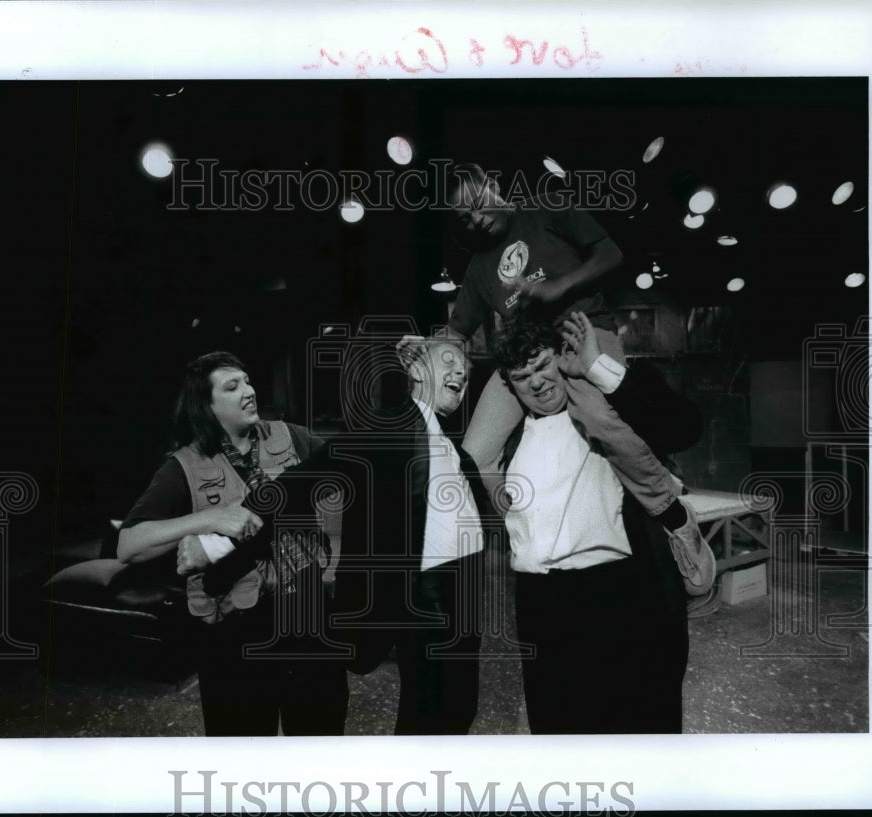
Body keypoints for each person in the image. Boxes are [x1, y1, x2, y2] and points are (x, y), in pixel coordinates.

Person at [403, 162, 714, 594]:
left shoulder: (547, 208)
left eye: (475, 204)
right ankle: (519, 525)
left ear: (493, 184)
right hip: (527, 352)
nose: (475, 219)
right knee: (475, 449)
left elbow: (612, 254)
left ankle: (673, 515)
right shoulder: (477, 269)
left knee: (600, 419)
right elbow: (457, 332)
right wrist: (424, 347)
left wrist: (559, 288)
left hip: (580, 335)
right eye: (463, 217)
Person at [179, 338, 489, 735]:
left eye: (466, 368)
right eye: (448, 361)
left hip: (463, 606)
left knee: (459, 712)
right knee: (429, 724)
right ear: (414, 371)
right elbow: (305, 479)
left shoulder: (453, 450)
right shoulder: (390, 425)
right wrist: (218, 541)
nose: (461, 372)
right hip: (425, 606)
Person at [492, 310, 706, 734]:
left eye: (541, 365)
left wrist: (597, 368)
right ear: (511, 388)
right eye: (521, 376)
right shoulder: (511, 442)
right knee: (562, 733)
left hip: (619, 596)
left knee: (635, 730)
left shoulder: (607, 408)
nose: (535, 381)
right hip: (544, 606)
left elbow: (684, 427)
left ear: (560, 358)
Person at [117, 351, 348, 737]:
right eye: (232, 386)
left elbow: (350, 464)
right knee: (242, 757)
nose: (249, 391)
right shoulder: (182, 466)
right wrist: (210, 518)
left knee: (318, 746)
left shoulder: (292, 437)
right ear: (207, 406)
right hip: (236, 637)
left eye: (247, 381)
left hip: (309, 623)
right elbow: (129, 545)